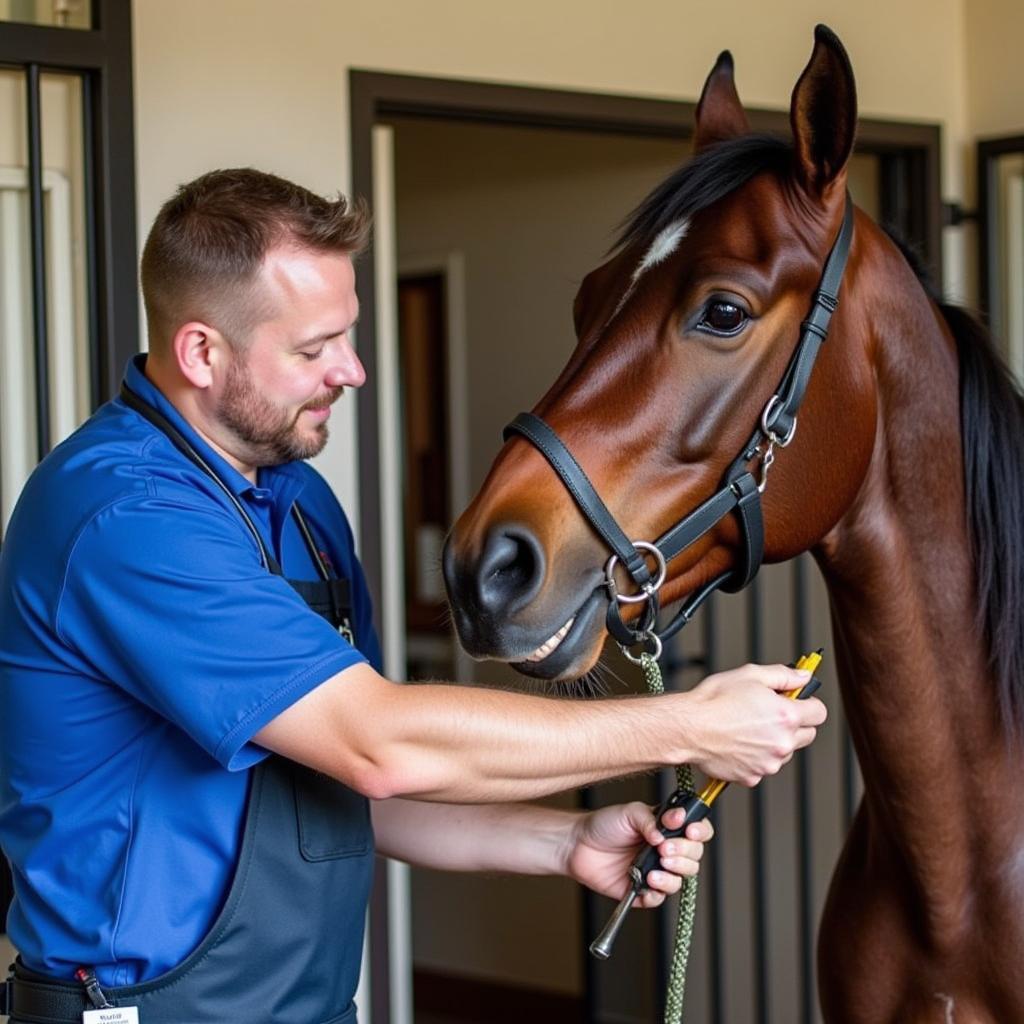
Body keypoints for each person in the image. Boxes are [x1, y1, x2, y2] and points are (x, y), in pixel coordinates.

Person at [0, 169, 826, 1024]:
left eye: (349, 336)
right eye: (314, 349)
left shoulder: (301, 505)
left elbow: (349, 789)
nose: (353, 372)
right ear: (202, 352)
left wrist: (565, 842)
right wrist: (687, 727)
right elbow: (378, 743)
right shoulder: (126, 518)